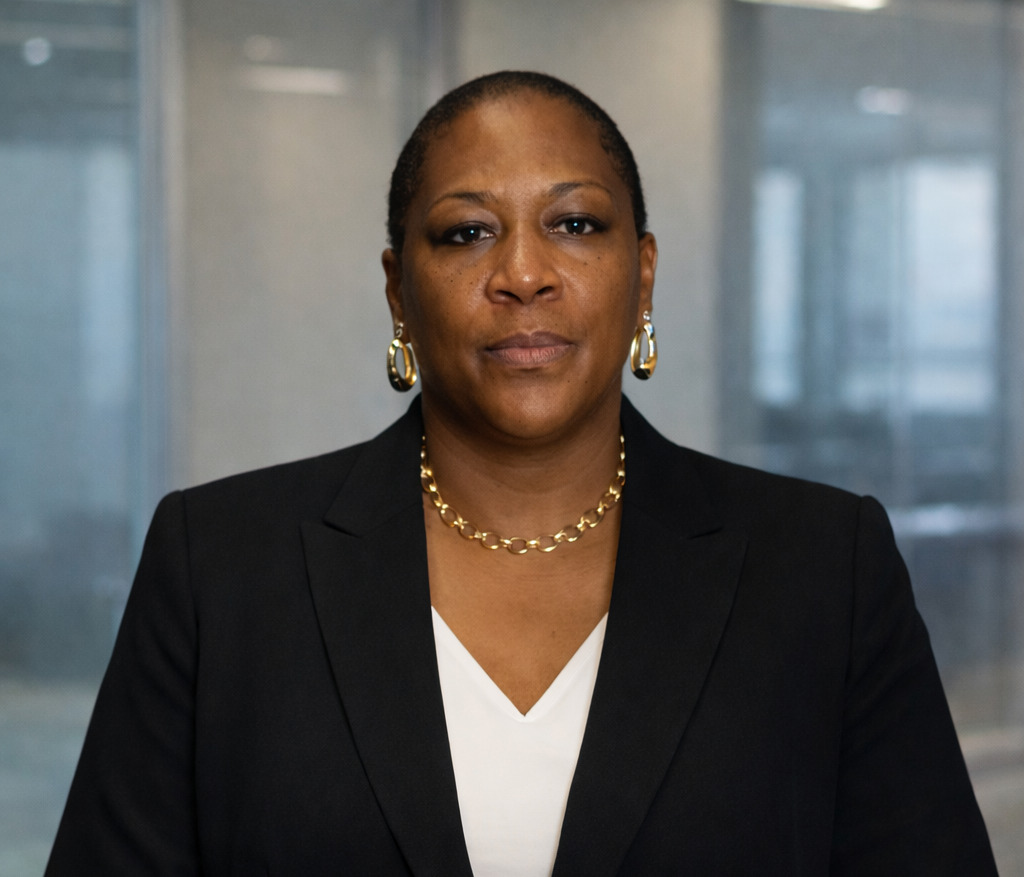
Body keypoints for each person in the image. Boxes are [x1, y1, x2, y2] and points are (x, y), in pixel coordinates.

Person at [46, 71, 996, 877]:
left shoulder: (826, 567)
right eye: (466, 233)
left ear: (644, 274)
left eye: (575, 223)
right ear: (397, 291)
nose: (524, 274)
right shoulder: (220, 565)